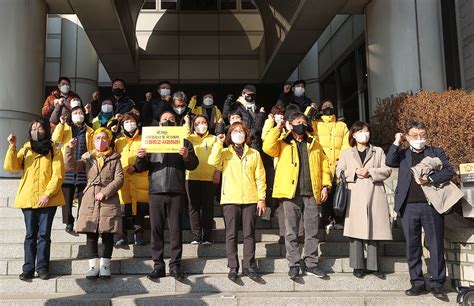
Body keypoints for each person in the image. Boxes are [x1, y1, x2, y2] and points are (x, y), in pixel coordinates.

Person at [386, 121, 453, 299]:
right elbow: (389, 161)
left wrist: (430, 179)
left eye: (422, 135)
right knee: (412, 246)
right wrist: (396, 142)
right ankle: (417, 283)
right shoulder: (402, 154)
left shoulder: (436, 152)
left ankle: (438, 283)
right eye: (414, 135)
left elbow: (449, 171)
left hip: (431, 205)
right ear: (407, 137)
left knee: (436, 244)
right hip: (408, 206)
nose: (419, 139)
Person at [263, 111, 331, 280]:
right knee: (291, 231)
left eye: (304, 121)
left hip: (312, 191)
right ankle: (293, 264)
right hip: (290, 193)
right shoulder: (283, 142)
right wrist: (278, 127)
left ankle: (311, 263)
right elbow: (267, 147)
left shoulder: (314, 142)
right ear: (291, 124)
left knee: (312, 230)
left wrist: (325, 186)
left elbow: (325, 165)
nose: (302, 124)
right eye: (298, 121)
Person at [135, 111, 199, 280]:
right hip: (156, 190)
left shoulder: (184, 142)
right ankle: (158, 265)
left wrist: (186, 155)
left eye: (171, 119)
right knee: (156, 230)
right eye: (164, 119)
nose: (168, 122)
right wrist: (140, 157)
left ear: (176, 123)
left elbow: (194, 165)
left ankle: (175, 265)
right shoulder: (150, 141)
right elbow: (141, 167)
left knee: (176, 231)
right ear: (159, 123)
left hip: (177, 190)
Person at [3, 120, 65, 281]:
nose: (37, 131)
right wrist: (12, 146)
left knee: (44, 235)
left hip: (48, 200)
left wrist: (47, 194)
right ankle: (28, 268)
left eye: (40, 128)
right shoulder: (25, 149)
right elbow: (11, 167)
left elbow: (58, 175)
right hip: (28, 198)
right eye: (33, 128)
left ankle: (43, 268)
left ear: (46, 130)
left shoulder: (54, 150)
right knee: (31, 235)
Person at [208, 122, 266, 282]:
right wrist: (218, 143)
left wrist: (261, 198)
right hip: (230, 198)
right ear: (230, 134)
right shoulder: (225, 152)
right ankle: (233, 266)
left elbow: (260, 177)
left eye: (241, 131)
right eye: (234, 131)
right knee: (231, 235)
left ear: (246, 134)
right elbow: (212, 161)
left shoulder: (254, 153)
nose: (238, 133)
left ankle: (249, 266)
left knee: (249, 234)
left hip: (250, 198)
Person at [64, 127, 124, 279]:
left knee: (107, 233)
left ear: (109, 140)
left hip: (109, 198)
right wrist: (70, 149)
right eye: (98, 138)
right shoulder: (87, 157)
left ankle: (105, 266)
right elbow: (71, 167)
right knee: (91, 233)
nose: (101, 141)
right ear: (93, 141)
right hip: (90, 197)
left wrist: (105, 192)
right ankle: (92, 266)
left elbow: (119, 179)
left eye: (104, 138)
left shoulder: (115, 158)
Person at [336, 121, 392, 279]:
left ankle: (374, 266)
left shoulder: (378, 151)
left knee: (375, 230)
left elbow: (387, 169)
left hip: (375, 193)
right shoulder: (347, 153)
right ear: (353, 134)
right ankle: (357, 266)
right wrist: (354, 172)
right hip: (355, 195)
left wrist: (371, 172)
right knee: (355, 232)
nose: (364, 134)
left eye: (366, 131)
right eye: (360, 131)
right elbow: (338, 171)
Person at [52, 106, 94, 233]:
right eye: (75, 113)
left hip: (83, 166)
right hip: (68, 166)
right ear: (71, 115)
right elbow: (55, 139)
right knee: (67, 197)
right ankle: (68, 221)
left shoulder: (90, 131)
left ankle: (80, 220)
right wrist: (61, 124)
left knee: (83, 196)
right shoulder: (65, 128)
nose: (79, 115)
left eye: (81, 113)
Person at [312, 100, 350, 229]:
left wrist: (342, 158)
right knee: (325, 192)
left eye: (330, 106)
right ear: (321, 110)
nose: (328, 108)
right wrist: (311, 110)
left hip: (338, 164)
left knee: (338, 191)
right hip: (323, 164)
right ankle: (327, 220)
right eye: (325, 106)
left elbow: (347, 143)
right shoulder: (316, 125)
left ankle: (338, 220)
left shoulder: (341, 125)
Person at [115, 113, 149, 245]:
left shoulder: (144, 139)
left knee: (139, 208)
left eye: (132, 121)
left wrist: (136, 167)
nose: (130, 124)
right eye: (126, 121)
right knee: (122, 208)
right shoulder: (118, 141)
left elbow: (151, 159)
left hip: (140, 178)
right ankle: (121, 233)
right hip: (122, 179)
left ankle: (139, 233)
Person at [186, 115, 221, 245]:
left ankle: (207, 236)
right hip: (191, 176)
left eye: (204, 122)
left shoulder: (214, 139)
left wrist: (218, 171)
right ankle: (196, 235)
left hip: (209, 177)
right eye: (197, 123)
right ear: (193, 125)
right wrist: (186, 123)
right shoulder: (189, 138)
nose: (201, 125)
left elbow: (219, 157)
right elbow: (182, 139)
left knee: (208, 207)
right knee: (193, 207)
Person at [222, 85, 266, 149]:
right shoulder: (236, 105)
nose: (250, 97)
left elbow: (260, 125)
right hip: (240, 136)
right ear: (243, 93)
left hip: (254, 139)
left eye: (253, 95)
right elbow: (226, 116)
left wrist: (261, 114)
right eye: (249, 94)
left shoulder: (257, 108)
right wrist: (227, 102)